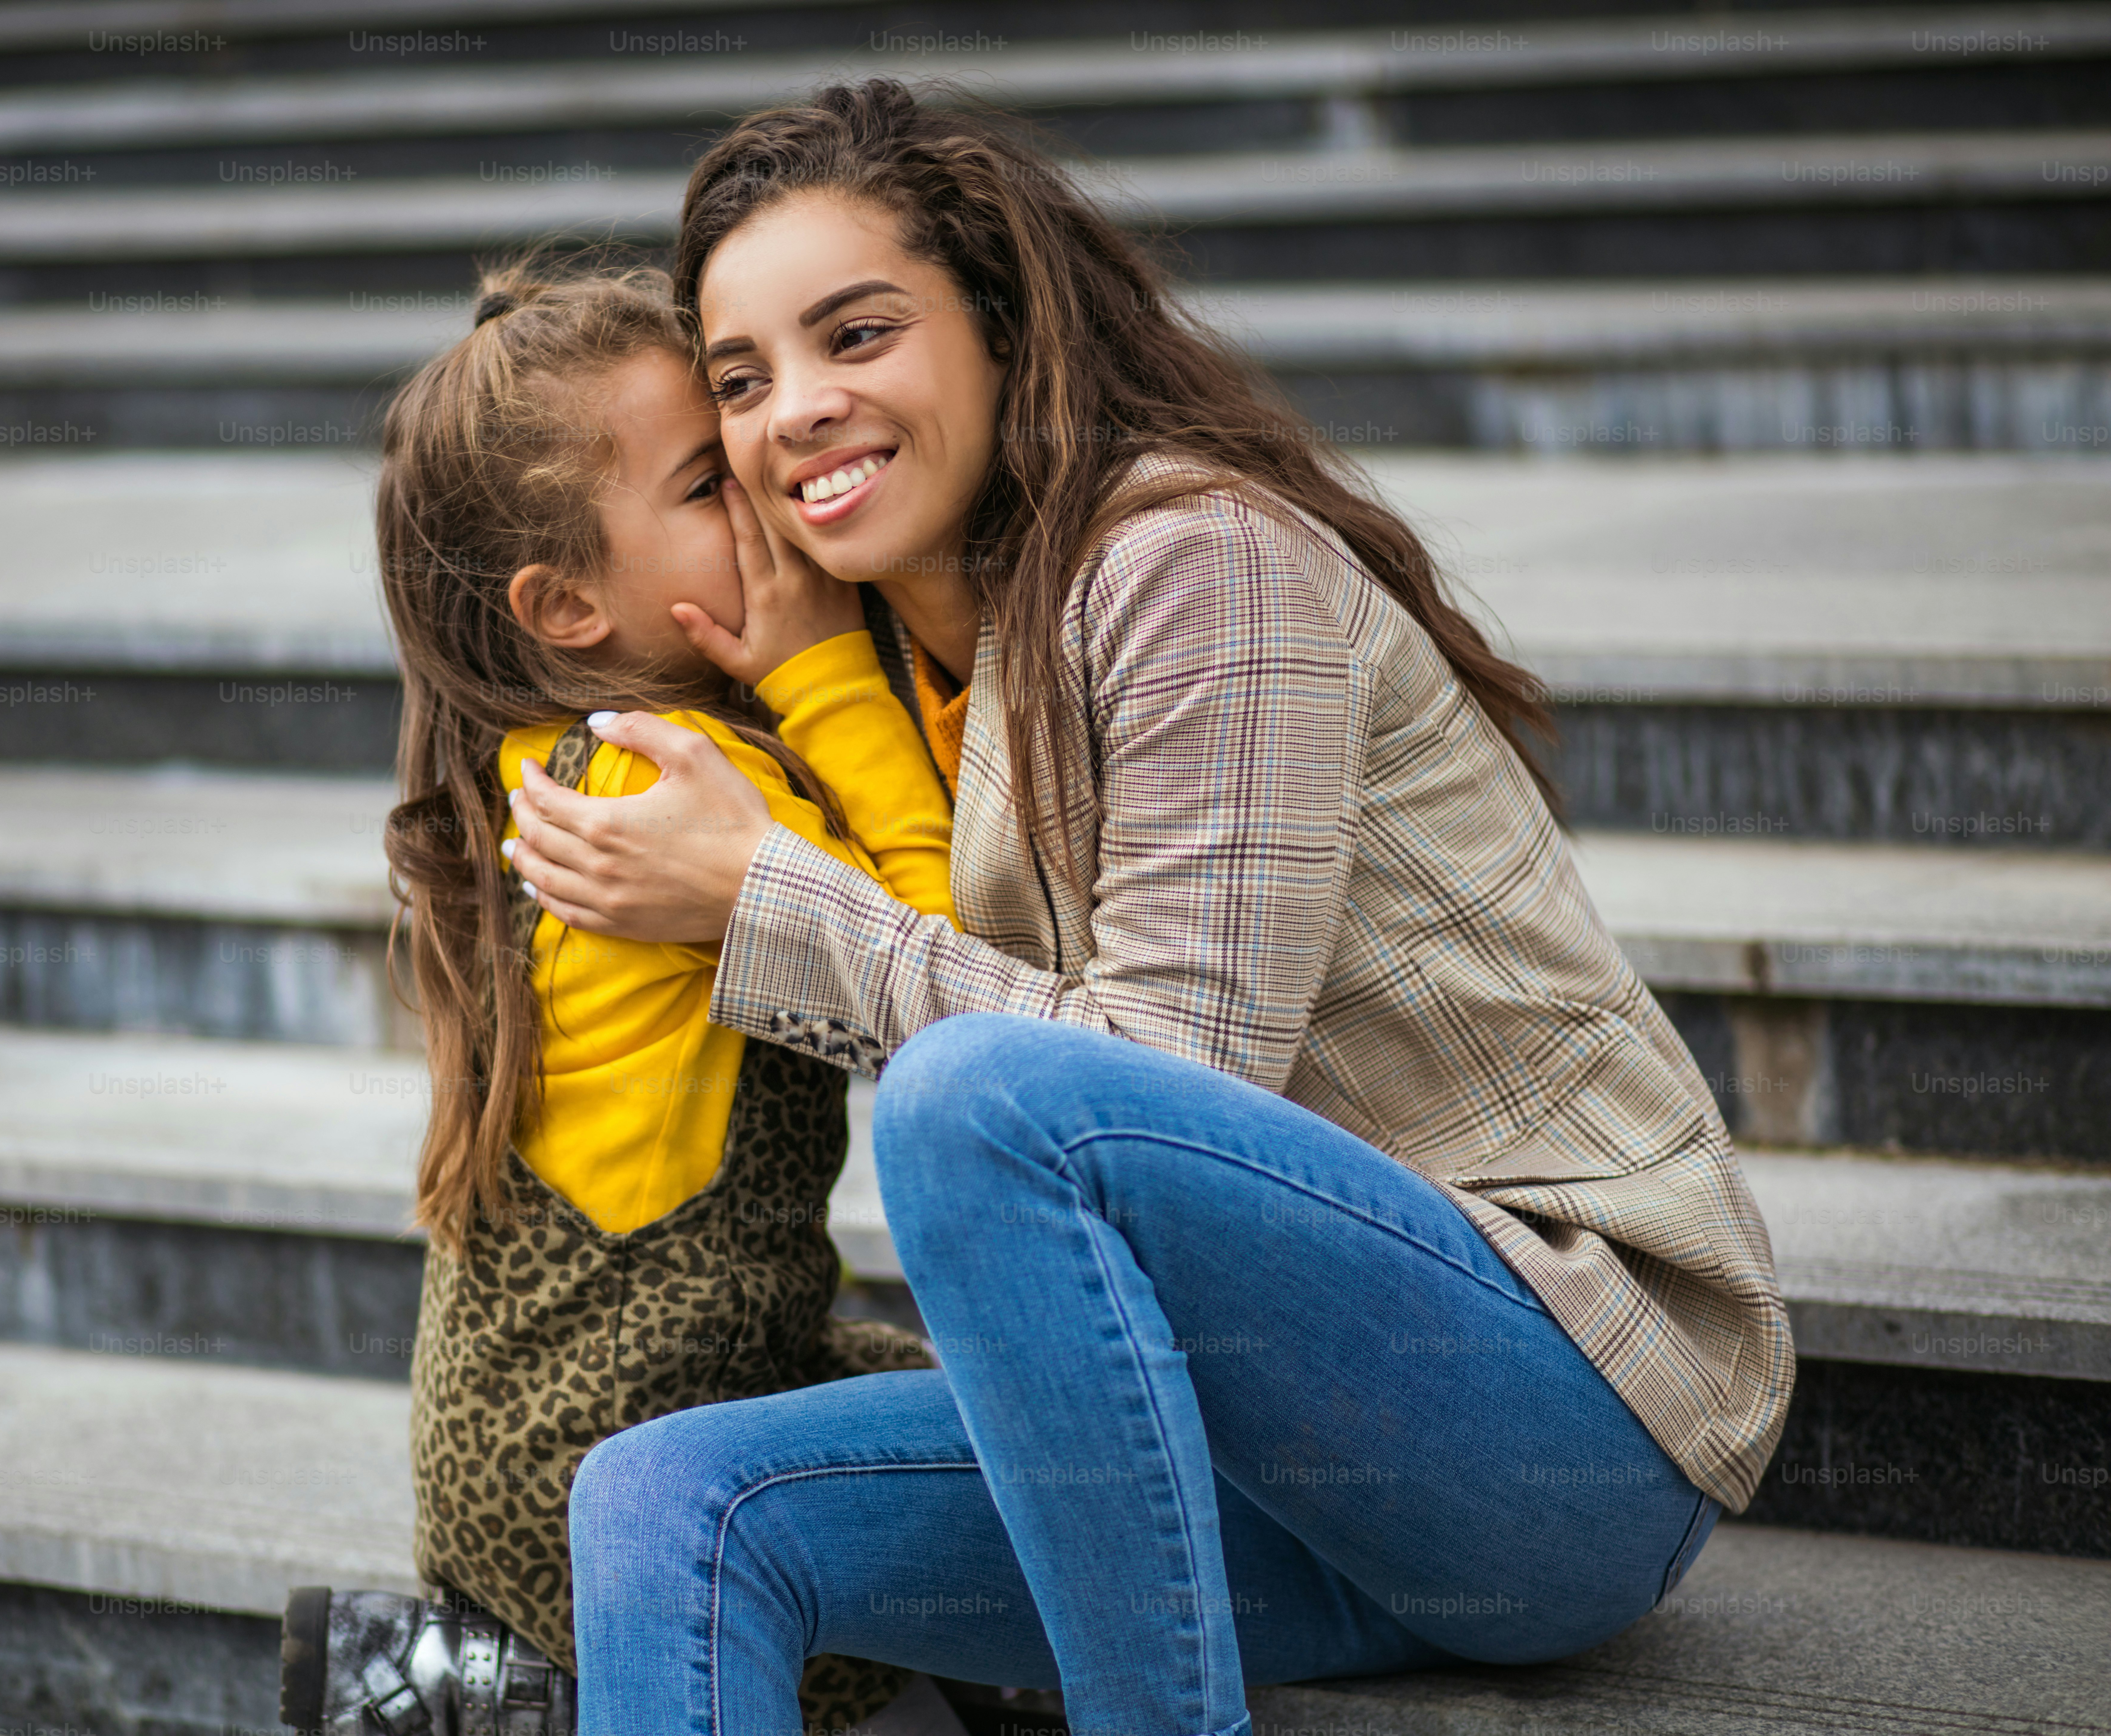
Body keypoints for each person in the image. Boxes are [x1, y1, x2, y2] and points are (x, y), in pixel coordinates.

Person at [501, 84, 1796, 1736]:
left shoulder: (1193, 564)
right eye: (744, 381)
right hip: (1267, 1470)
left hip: (1562, 1427)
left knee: (974, 1101)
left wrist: (763, 893)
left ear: (997, 324)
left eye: (858, 335)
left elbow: (1165, 1079)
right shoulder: (902, 653)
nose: (797, 413)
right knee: (662, 1507)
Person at [279, 263, 959, 1736]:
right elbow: (935, 942)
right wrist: (831, 670)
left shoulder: (538, 761)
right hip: (624, 1465)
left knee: (920, 1376)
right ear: (568, 604)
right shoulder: (678, 790)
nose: (767, 495)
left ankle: (489, 1685)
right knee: (1022, 1492)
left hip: (509, 1451)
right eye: (711, 480)